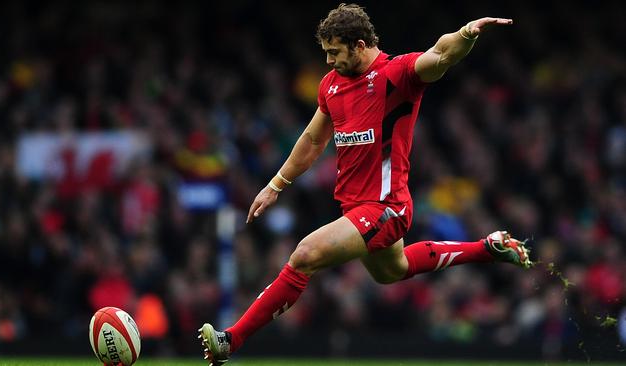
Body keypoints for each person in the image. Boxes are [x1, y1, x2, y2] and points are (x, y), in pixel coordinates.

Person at [199, 4, 532, 365]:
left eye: (334, 52)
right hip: (355, 207)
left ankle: (229, 340)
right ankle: (490, 247)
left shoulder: (396, 74)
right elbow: (313, 140)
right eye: (325, 52)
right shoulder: (332, 86)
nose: (328, 62)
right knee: (394, 270)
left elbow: (440, 54)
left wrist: (466, 33)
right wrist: (275, 185)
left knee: (304, 255)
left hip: (387, 207)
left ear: (359, 45)